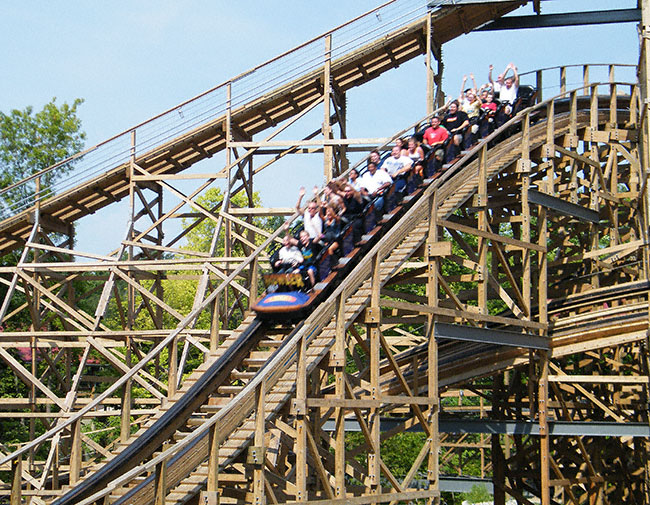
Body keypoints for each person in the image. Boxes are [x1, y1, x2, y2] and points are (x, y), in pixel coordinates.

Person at [378, 146, 411, 210]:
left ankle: (396, 204)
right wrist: (386, 174)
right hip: (389, 178)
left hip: (400, 178)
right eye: (393, 151)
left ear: (400, 151)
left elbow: (408, 166)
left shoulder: (404, 159)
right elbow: (382, 168)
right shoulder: (388, 159)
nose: (394, 152)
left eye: (396, 151)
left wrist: (398, 172)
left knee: (394, 190)